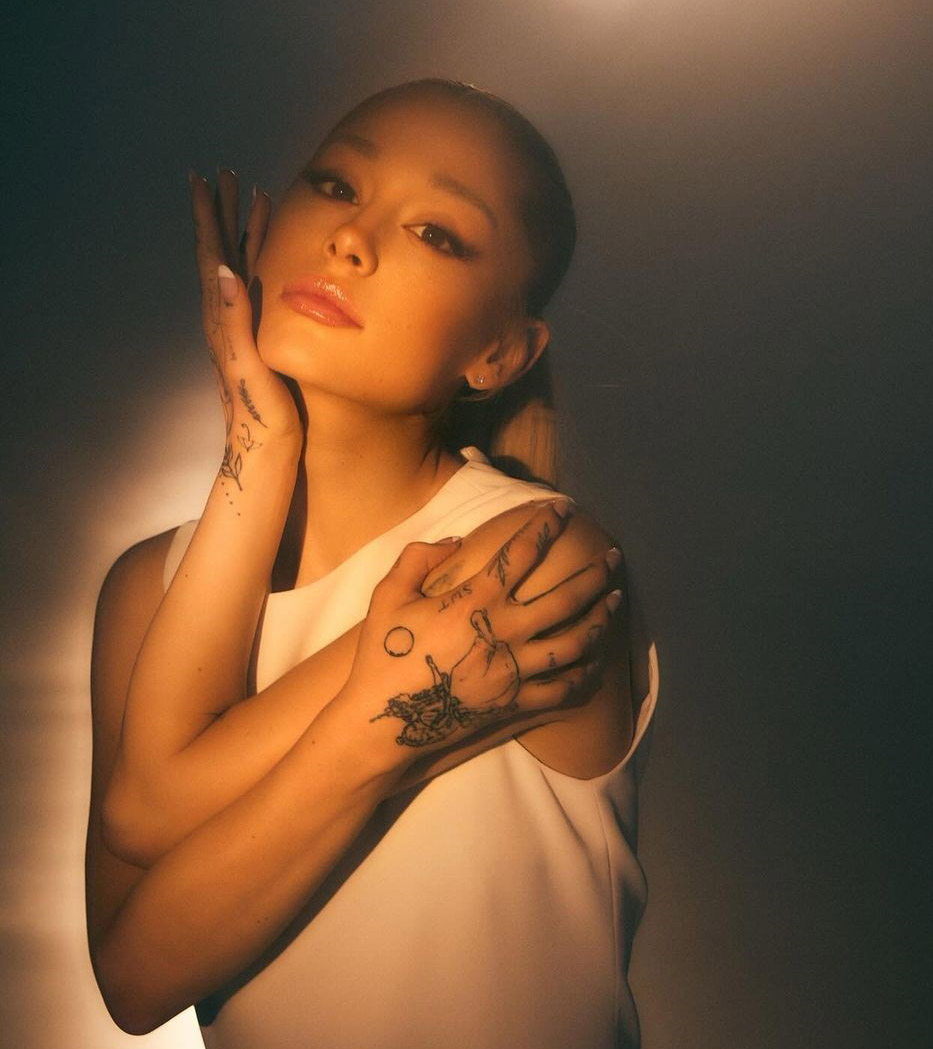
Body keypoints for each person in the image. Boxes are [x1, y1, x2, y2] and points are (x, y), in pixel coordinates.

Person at [84, 78, 659, 1049]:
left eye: (437, 232)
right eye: (336, 186)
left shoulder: (541, 555)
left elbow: (148, 805)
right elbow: (134, 981)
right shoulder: (146, 586)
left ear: (499, 352)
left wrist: (368, 734)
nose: (351, 238)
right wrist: (259, 448)